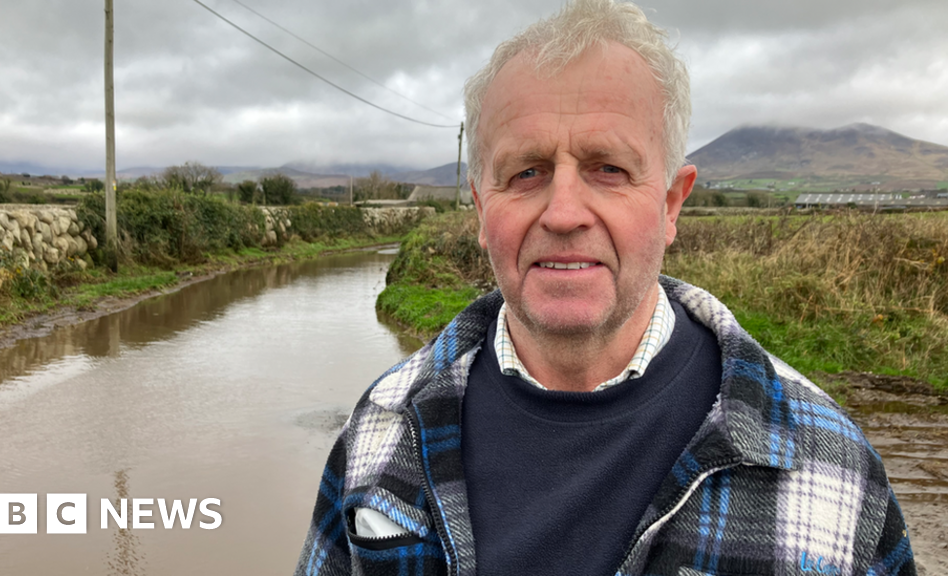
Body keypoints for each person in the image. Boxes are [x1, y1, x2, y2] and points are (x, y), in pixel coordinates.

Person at [294, 1, 916, 574]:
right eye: (526, 171)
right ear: (482, 210)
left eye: (609, 170)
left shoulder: (833, 469)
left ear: (672, 204)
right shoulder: (380, 431)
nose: (564, 213)